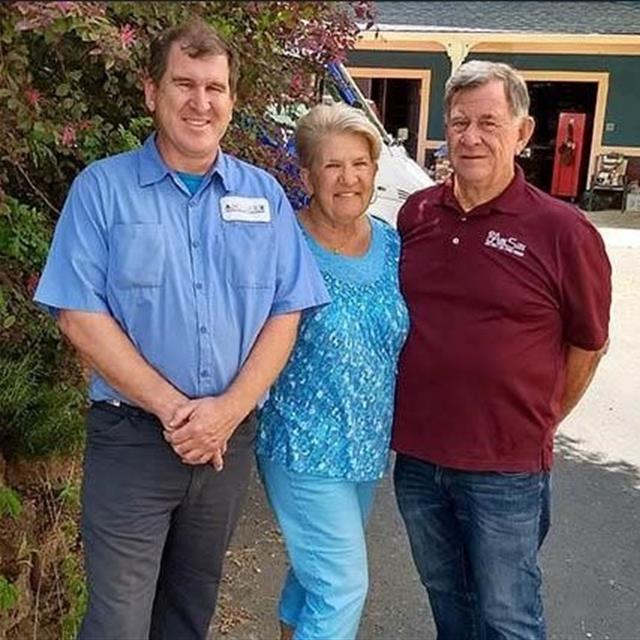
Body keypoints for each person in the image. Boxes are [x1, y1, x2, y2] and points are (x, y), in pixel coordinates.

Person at [33, 20, 329, 640]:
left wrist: (226, 413)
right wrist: (175, 409)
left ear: (232, 98)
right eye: (184, 84)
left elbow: (287, 311)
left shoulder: (264, 197)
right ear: (151, 92)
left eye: (215, 88)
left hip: (226, 445)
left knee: (189, 615)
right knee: (118, 621)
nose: (201, 102)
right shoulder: (103, 191)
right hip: (133, 440)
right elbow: (77, 313)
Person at [392, 60, 611, 639]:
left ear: (522, 132)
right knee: (448, 602)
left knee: (507, 615)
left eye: (489, 122)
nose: (471, 136)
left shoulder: (563, 231)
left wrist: (541, 419)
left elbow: (589, 343)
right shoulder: (416, 215)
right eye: (459, 121)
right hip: (418, 459)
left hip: (505, 467)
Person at [256, 102, 410, 640]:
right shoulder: (283, 244)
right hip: (303, 446)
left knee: (312, 579)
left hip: (365, 449)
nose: (349, 178)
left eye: (360, 164)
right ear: (306, 176)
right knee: (342, 586)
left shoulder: (392, 244)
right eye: (332, 166)